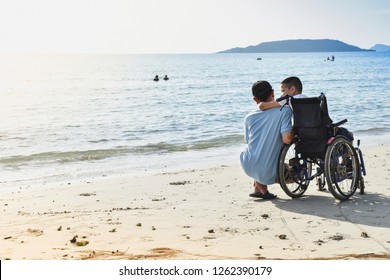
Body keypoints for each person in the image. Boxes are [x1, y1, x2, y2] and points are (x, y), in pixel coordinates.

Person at [240, 80, 294, 199]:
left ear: (255, 99)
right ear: (273, 92)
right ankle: (262, 188)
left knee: (255, 150)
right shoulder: (284, 111)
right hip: (270, 172)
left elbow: (249, 142)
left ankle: (259, 188)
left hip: (248, 165)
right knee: (296, 175)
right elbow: (287, 140)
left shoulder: (249, 117)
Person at [258, 76, 354, 141]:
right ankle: (347, 160)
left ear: (292, 89)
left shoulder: (288, 100)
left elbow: (263, 106)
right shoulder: (307, 100)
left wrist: (259, 104)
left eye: (283, 91)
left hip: (301, 134)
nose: (281, 94)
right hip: (319, 133)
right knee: (346, 133)